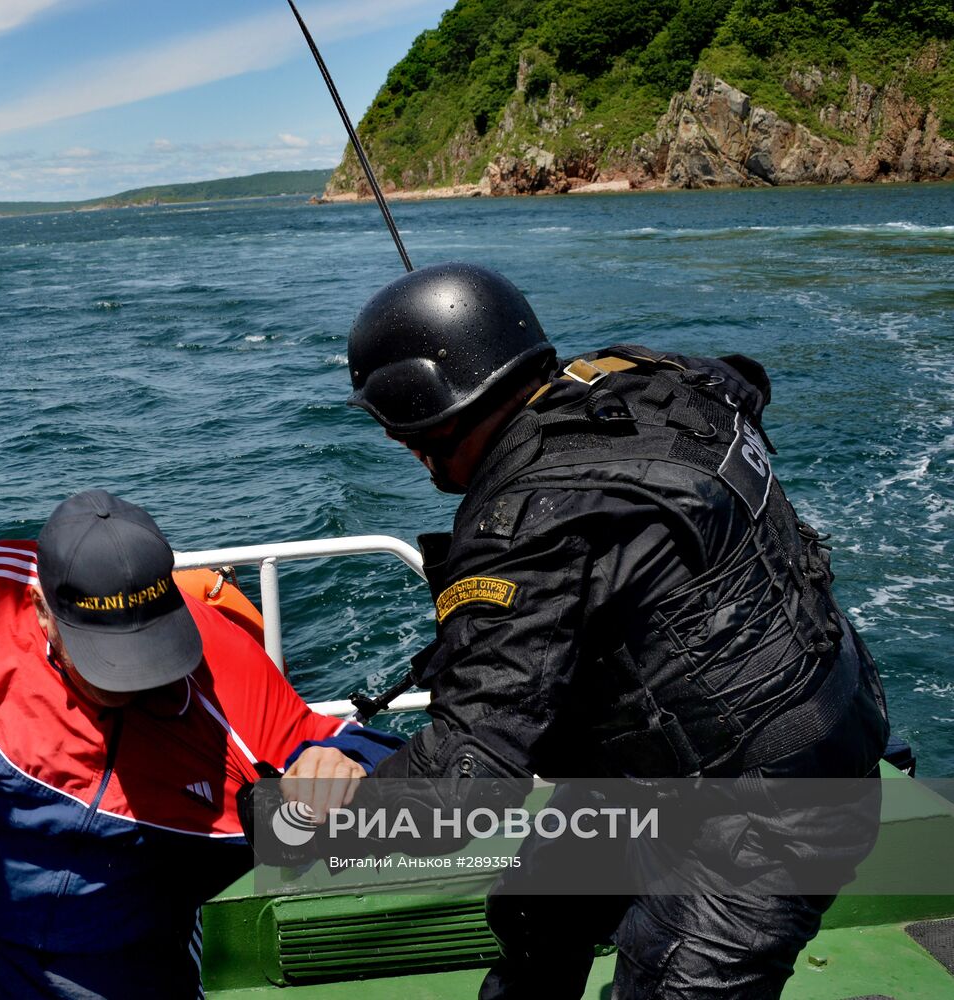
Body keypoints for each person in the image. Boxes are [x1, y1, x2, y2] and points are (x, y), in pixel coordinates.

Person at [336, 262, 890, 999]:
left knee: (674, 982)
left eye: (410, 427)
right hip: (753, 723)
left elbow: (465, 787)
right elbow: (746, 381)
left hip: (774, 802)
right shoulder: (667, 379)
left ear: (443, 412)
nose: (406, 448)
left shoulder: (527, 529)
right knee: (539, 907)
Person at [0, 461, 401, 999]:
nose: (128, 683)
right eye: (103, 662)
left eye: (148, 655)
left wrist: (348, 766)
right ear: (38, 610)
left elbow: (376, 774)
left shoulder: (218, 664)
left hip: (124, 964)